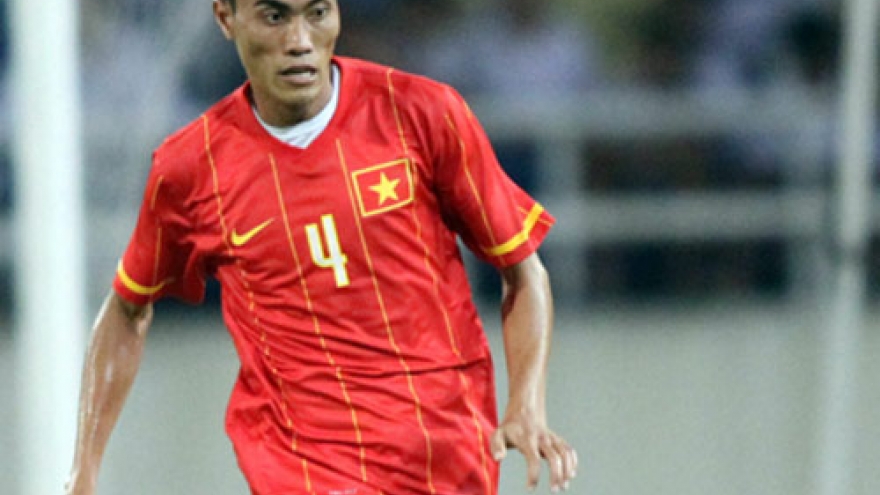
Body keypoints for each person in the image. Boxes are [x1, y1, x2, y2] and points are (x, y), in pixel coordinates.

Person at [65, 1, 578, 494]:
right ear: (226, 16)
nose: (299, 41)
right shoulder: (189, 169)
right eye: (274, 16)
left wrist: (526, 403)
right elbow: (127, 309)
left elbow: (524, 272)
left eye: (316, 13)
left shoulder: (422, 112)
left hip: (443, 450)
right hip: (302, 461)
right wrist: (83, 473)